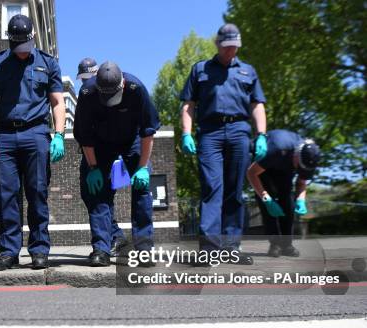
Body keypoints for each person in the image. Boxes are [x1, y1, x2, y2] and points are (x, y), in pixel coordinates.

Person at [0, 14, 66, 271]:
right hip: (5, 135)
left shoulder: (47, 63)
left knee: (37, 193)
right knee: (6, 196)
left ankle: (39, 250)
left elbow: (57, 101)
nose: (21, 52)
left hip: (36, 133)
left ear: (32, 38)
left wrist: (59, 134)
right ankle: (9, 251)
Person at [179, 23, 267, 265]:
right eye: (227, 46)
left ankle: (230, 246)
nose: (231, 51)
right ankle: (209, 248)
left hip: (239, 131)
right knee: (211, 187)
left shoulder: (248, 71)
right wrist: (186, 133)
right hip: (210, 132)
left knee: (234, 190)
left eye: (235, 47)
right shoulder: (200, 70)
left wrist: (262, 135)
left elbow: (257, 104)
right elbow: (189, 104)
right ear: (218, 44)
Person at [74, 61, 160, 267]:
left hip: (132, 140)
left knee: (141, 189)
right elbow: (84, 136)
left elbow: (148, 132)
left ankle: (144, 249)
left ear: (121, 85)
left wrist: (142, 167)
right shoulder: (87, 93)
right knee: (97, 192)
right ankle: (101, 249)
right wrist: (93, 168)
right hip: (101, 143)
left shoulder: (136, 89)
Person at [76, 57, 130, 257]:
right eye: (83, 78)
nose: (85, 81)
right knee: (96, 195)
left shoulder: (109, 89)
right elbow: (84, 131)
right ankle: (115, 236)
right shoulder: (86, 95)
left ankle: (108, 241)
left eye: (88, 77)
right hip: (93, 153)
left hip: (110, 153)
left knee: (101, 196)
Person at [246, 130, 321, 257]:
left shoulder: (310, 160)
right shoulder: (277, 148)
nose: (301, 170)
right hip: (263, 166)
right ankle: (274, 244)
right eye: (299, 166)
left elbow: (301, 182)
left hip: (284, 168)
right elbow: (251, 173)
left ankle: (287, 245)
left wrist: (301, 200)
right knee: (267, 205)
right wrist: (266, 199)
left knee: (288, 202)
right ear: (296, 155)